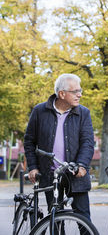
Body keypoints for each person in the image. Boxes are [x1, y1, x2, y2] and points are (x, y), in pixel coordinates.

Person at [24, 73, 94, 222]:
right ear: (62, 94)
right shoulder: (39, 111)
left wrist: (82, 165)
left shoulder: (83, 113)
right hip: (51, 175)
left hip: (75, 174)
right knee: (55, 220)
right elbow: (29, 141)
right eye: (75, 91)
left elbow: (88, 142)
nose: (80, 95)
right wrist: (33, 167)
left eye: (80, 91)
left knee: (84, 220)